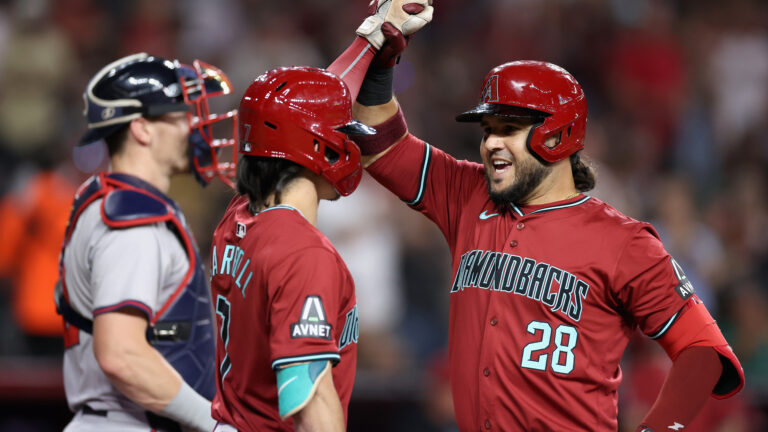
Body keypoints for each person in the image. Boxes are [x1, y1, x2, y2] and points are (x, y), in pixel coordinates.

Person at [329, 16, 747, 432]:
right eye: (488, 129)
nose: (491, 142)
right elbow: (381, 143)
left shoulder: (624, 241)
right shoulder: (466, 194)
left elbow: (703, 352)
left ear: (556, 136)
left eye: (508, 128)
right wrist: (382, 61)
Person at [55, 53, 237, 431]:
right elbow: (122, 354)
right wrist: (215, 425)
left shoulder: (110, 199)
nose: (195, 125)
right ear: (142, 129)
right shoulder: (133, 219)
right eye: (181, 114)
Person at [208, 66, 373, 431]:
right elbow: (306, 393)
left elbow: (280, 114)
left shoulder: (237, 217)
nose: (348, 143)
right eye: (341, 133)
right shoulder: (304, 252)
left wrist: (368, 43)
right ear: (314, 143)